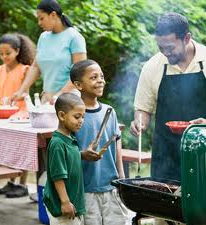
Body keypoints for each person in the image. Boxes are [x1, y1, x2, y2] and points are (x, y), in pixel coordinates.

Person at [130, 12, 206, 183]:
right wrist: (140, 122)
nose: (165, 53)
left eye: (170, 48)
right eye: (160, 47)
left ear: (186, 38)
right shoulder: (152, 67)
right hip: (166, 156)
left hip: (204, 153)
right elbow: (143, 108)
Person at [70, 59, 130, 225]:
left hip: (111, 186)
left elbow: (116, 142)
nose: (100, 80)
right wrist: (82, 154)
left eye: (102, 76)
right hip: (85, 188)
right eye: (94, 77)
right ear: (79, 85)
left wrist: (122, 177)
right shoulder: (72, 115)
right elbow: (64, 149)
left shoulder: (109, 111)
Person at [0, 33, 36, 198]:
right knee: (6, 149)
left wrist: (15, 99)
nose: (4, 56)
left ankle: (22, 184)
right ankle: (11, 182)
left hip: (21, 114)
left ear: (17, 51)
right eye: (1, 53)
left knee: (20, 149)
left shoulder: (25, 70)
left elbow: (25, 92)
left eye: (8, 53)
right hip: (3, 115)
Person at [12, 0, 87, 104]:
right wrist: (21, 90)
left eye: (41, 18)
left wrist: (60, 94)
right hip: (47, 99)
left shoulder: (74, 37)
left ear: (53, 15)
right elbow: (35, 67)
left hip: (69, 99)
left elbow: (80, 72)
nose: (39, 23)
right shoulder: (43, 37)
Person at [43, 93, 86, 225]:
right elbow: (58, 176)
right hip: (64, 208)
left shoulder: (70, 139)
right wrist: (65, 202)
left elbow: (69, 160)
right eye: (77, 117)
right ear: (62, 116)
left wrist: (83, 155)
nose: (81, 120)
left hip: (74, 205)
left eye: (83, 117)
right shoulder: (57, 144)